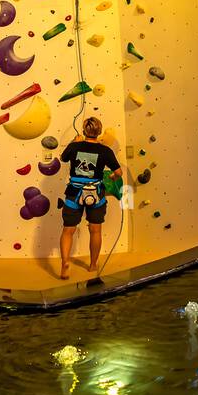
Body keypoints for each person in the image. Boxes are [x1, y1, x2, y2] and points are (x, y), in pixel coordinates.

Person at [58, 117, 123, 279]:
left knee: (68, 230)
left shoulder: (74, 146)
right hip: (96, 193)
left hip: (74, 192)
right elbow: (118, 173)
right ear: (99, 131)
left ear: (84, 130)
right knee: (95, 230)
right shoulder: (106, 151)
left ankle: (65, 262)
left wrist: (75, 141)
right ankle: (93, 265)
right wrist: (112, 179)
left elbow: (63, 158)